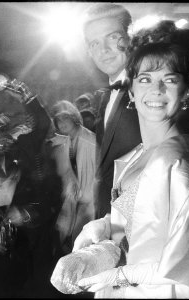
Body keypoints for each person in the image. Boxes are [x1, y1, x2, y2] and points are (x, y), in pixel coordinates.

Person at [72, 42, 189, 298]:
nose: (156, 89)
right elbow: (142, 219)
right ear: (131, 92)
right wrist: (103, 226)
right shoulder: (136, 155)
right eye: (145, 79)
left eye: (169, 79)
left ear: (187, 90)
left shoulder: (181, 165)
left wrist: (124, 275)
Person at [82, 3, 141, 218]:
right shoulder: (106, 97)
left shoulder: (147, 89)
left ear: (129, 36)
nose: (103, 50)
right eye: (95, 43)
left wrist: (114, 220)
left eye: (112, 37)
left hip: (138, 223)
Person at [50, 100, 97, 254]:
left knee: (81, 246)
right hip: (70, 201)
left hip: (87, 201)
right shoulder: (61, 141)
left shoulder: (90, 141)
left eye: (65, 118)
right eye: (58, 120)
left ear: (74, 118)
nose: (62, 123)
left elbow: (99, 173)